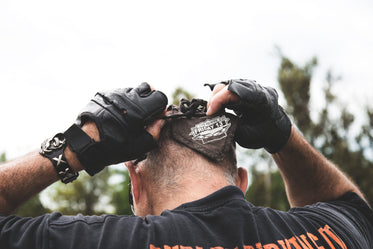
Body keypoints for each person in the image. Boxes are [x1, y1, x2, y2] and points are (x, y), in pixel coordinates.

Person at [0, 80, 372, 249]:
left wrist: (78, 145)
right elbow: (350, 209)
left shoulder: (97, 241)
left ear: (136, 184)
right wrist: (283, 135)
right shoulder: (330, 234)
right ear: (241, 180)